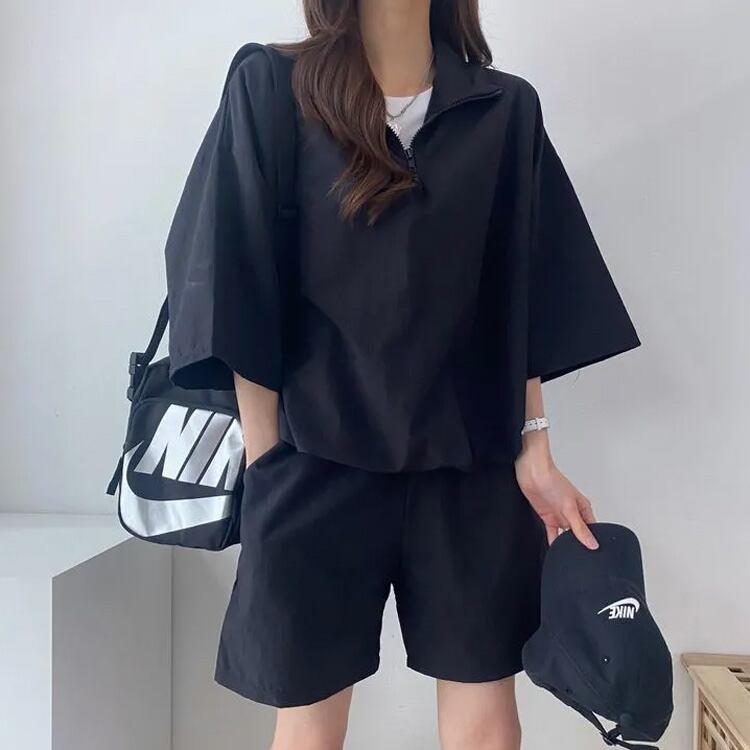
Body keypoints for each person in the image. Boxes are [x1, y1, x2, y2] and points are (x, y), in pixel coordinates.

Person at [164, 1, 641, 748]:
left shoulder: (503, 108)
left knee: (487, 725)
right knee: (309, 726)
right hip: (313, 458)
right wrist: (266, 462)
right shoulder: (272, 86)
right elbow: (234, 272)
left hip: (469, 464)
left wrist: (536, 450)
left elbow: (522, 293)